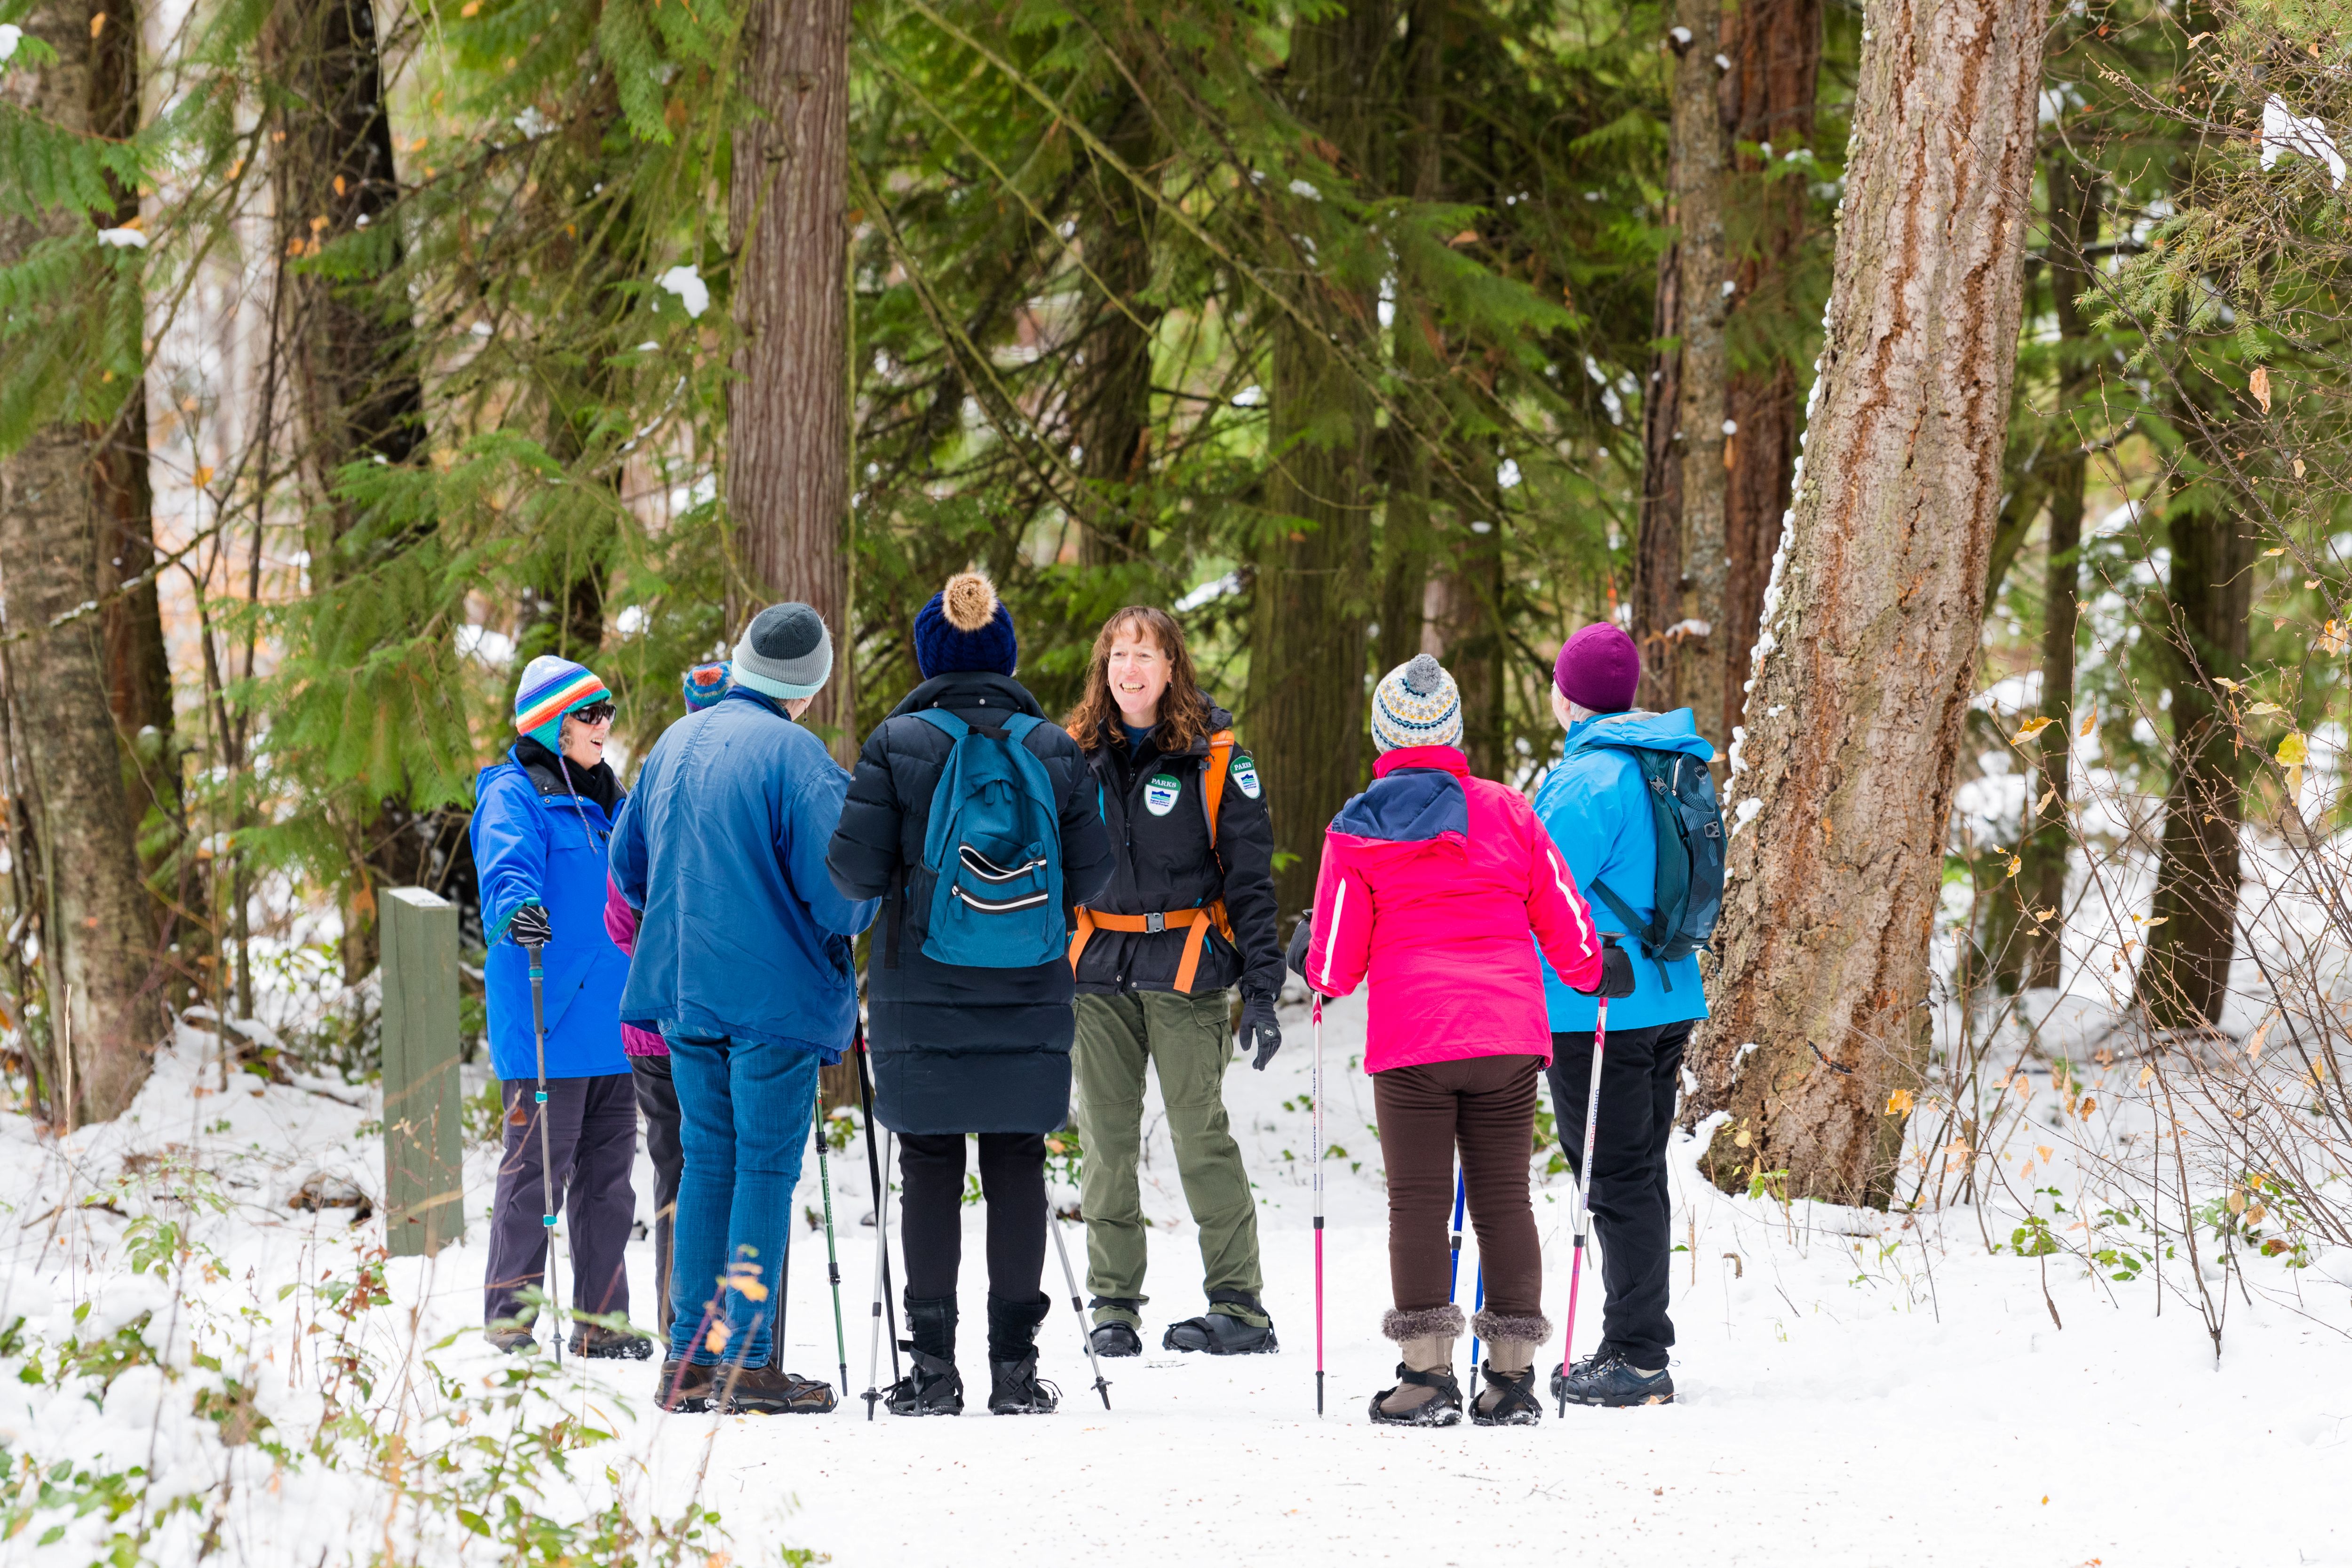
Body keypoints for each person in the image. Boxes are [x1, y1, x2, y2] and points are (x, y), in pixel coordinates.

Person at [1289, 654, 1632, 1427]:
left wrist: (1306, 954)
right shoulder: (1509, 811)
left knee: (1418, 1204)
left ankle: (1426, 1378)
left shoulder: (1357, 825)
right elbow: (1566, 919)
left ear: (1383, 733)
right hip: (1508, 1037)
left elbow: (1335, 967)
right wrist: (1595, 968)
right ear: (1454, 732)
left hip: (1415, 1041)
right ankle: (1511, 1384)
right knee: (1504, 1200)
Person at [827, 573, 1114, 1417]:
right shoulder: (1054, 749)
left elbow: (850, 870)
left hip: (924, 991)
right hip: (1031, 991)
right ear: (1006, 654)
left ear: (930, 655)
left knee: (929, 1164)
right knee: (1018, 1160)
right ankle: (1017, 1372)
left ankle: (934, 1371)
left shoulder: (899, 742)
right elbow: (1096, 871)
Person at [608, 605, 878, 1415]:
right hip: (772, 1002)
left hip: (685, 996)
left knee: (705, 1163)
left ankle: (687, 1359)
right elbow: (842, 899)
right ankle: (749, 1360)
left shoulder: (672, 744)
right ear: (811, 681)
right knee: (761, 1167)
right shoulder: (798, 758)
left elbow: (628, 871)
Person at [1060, 606, 1282, 1358]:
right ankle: (1114, 1304)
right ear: (1104, 667)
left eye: (1145, 655)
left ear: (1172, 667)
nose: (1130, 669)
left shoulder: (1217, 756)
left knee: (1198, 1134)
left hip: (1186, 965)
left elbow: (1251, 879)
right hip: (1096, 971)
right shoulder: (1072, 754)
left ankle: (1240, 1304)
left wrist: (1262, 986)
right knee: (1107, 1142)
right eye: (1118, 653)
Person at [1532, 622, 1713, 1409]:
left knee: (1615, 1176)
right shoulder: (1661, 765)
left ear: (1566, 696)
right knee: (1637, 1171)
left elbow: (1537, 890)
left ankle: (1637, 1356)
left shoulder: (1585, 782)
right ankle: (1637, 1340)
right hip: (1670, 991)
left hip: (1599, 1008)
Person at [470, 654, 646, 1359]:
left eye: (607, 711)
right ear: (551, 722)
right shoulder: (513, 792)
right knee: (534, 1177)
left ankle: (603, 1327)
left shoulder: (615, 799)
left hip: (616, 1023)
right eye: (589, 713)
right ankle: (511, 1322)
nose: (605, 725)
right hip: (548, 1020)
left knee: (609, 1188)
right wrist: (522, 911)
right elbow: (506, 868)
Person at [601, 661, 732, 1340]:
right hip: (711, 1024)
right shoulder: (742, 779)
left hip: (655, 1026)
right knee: (722, 1170)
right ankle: (723, 1335)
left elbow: (618, 916)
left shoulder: (653, 784)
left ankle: (682, 1330)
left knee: (679, 1174)